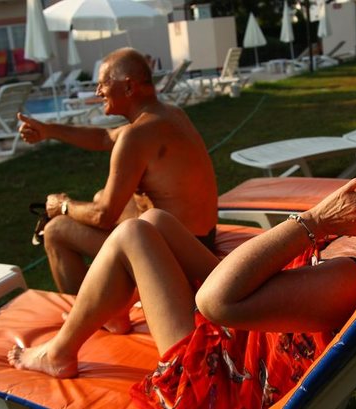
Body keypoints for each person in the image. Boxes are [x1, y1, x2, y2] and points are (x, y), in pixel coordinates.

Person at [7, 125, 356, 407]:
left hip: (219, 380)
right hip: (242, 335)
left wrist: (315, 222)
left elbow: (217, 302)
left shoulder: (355, 276)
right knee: (156, 220)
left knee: (133, 233)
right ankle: (112, 309)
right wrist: (324, 227)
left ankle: (60, 353)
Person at [16, 48, 218, 296]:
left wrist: (63, 206)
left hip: (178, 259)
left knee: (56, 231)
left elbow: (103, 216)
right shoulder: (170, 114)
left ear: (129, 87)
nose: (98, 92)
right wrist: (48, 130)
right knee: (101, 196)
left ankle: (93, 312)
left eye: (103, 84)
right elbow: (105, 137)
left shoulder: (136, 137)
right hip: (201, 242)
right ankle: (110, 292)